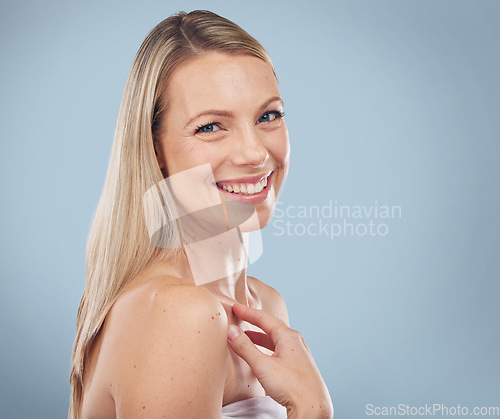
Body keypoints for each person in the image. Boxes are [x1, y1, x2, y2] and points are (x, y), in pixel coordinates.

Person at [69, 10, 333, 419]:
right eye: (211, 127)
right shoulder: (178, 314)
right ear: (154, 149)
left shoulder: (266, 306)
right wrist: (312, 411)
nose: (255, 153)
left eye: (268, 116)